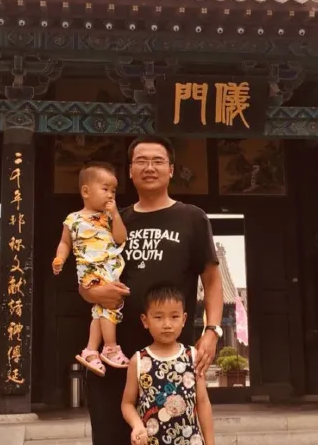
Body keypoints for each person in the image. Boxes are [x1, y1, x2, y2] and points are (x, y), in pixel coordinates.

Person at [81, 135, 223, 445]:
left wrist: (212, 330)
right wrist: (92, 293)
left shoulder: (192, 218)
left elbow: (212, 280)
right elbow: (87, 278)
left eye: (158, 161)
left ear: (171, 169)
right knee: (111, 433)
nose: (149, 167)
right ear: (130, 172)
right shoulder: (112, 220)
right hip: (116, 353)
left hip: (169, 355)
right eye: (141, 161)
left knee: (170, 435)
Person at [53, 162, 130, 375]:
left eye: (113, 191)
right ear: (86, 191)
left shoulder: (108, 217)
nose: (110, 195)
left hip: (110, 268)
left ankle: (90, 350)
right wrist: (60, 258)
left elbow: (121, 238)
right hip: (90, 269)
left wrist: (115, 215)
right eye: (105, 189)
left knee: (100, 310)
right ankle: (110, 347)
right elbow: (65, 243)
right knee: (111, 306)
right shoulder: (73, 219)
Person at [122, 284, 214, 445]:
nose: (167, 324)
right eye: (158, 317)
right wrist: (137, 425)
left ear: (184, 319)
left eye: (174, 316)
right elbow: (127, 403)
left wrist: (210, 442)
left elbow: (203, 402)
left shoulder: (192, 356)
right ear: (145, 320)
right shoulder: (138, 361)